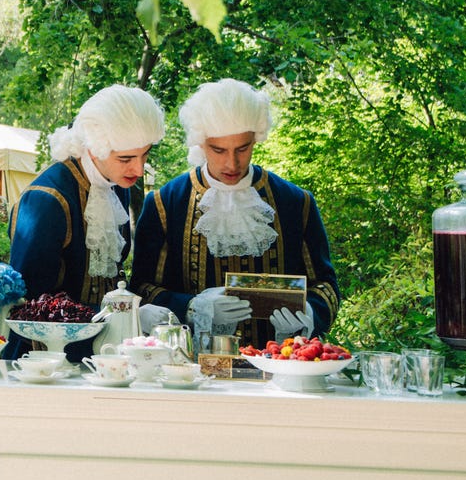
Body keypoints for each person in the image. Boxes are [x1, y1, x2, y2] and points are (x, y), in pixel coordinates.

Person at [131, 77, 339, 345]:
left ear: (256, 139)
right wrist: (193, 308)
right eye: (219, 150)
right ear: (201, 143)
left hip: (279, 366)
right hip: (188, 371)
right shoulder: (164, 203)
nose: (232, 162)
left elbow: (326, 287)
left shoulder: (295, 202)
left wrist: (309, 312)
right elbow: (142, 289)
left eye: (243, 148)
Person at [5, 85, 166, 352]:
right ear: (94, 149)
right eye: (126, 158)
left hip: (104, 356)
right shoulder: (47, 200)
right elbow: (27, 307)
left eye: (144, 154)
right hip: (43, 362)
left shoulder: (115, 186)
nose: (138, 168)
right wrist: (122, 315)